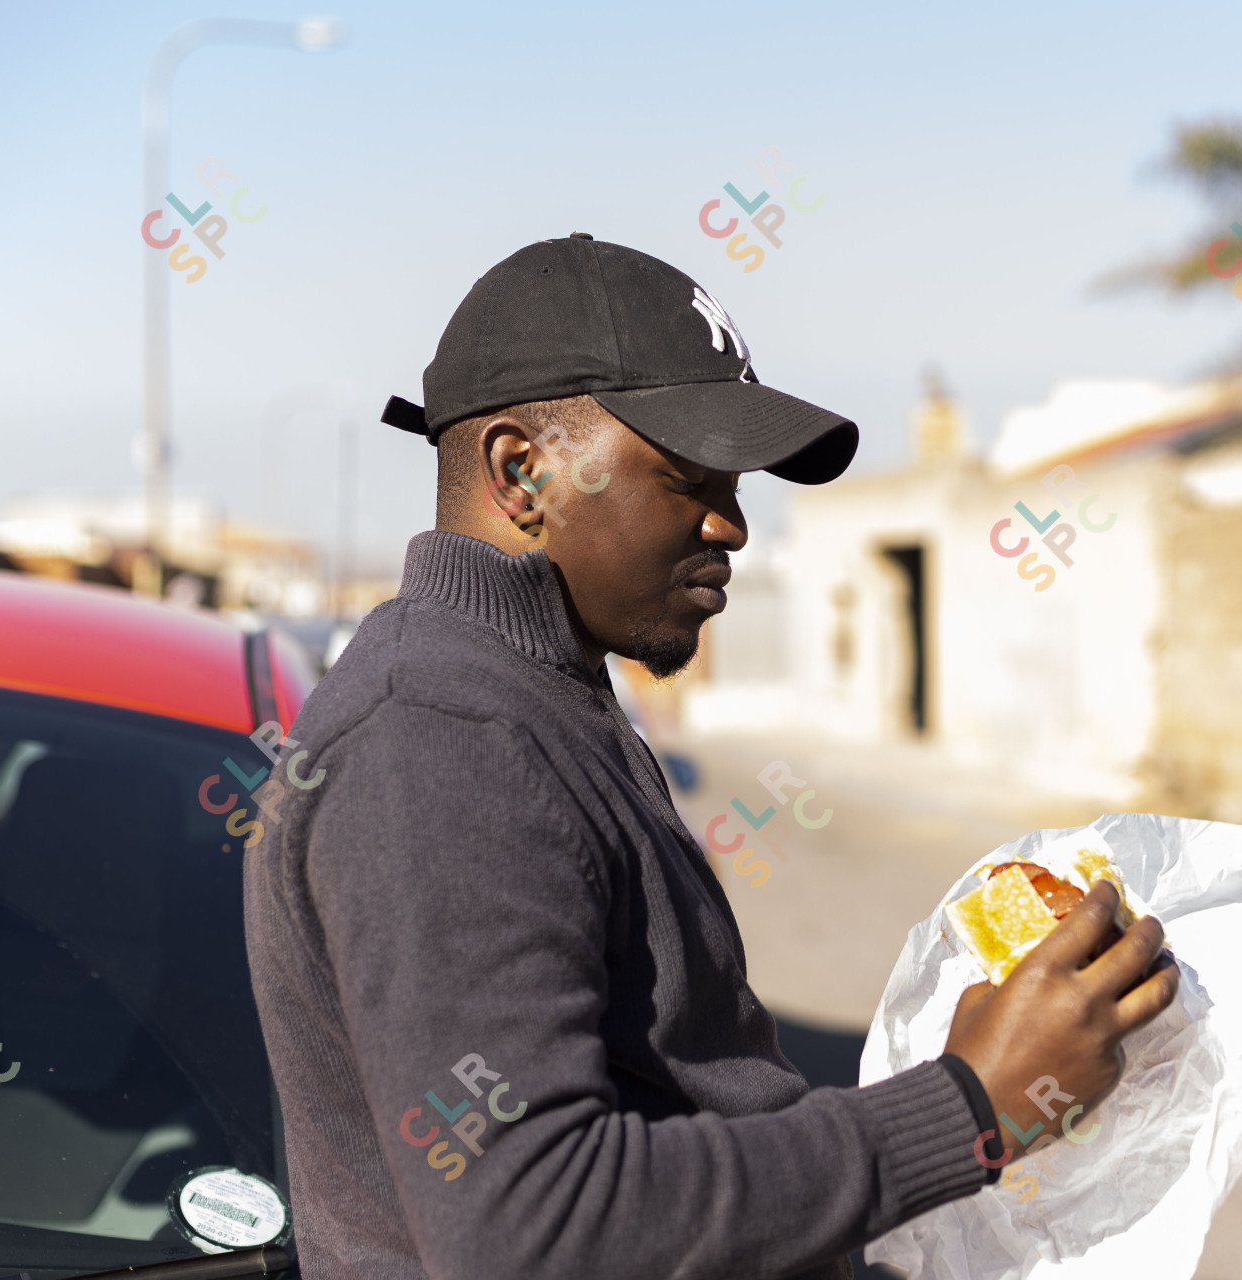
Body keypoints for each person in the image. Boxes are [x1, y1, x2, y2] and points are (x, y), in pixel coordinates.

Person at [243, 234, 1181, 1280]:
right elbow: (530, 1229)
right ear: (522, 472)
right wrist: (968, 1104)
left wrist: (976, 1066)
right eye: (688, 476)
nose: (732, 521)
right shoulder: (441, 738)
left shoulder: (534, 691)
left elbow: (675, 1096)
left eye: (733, 481)